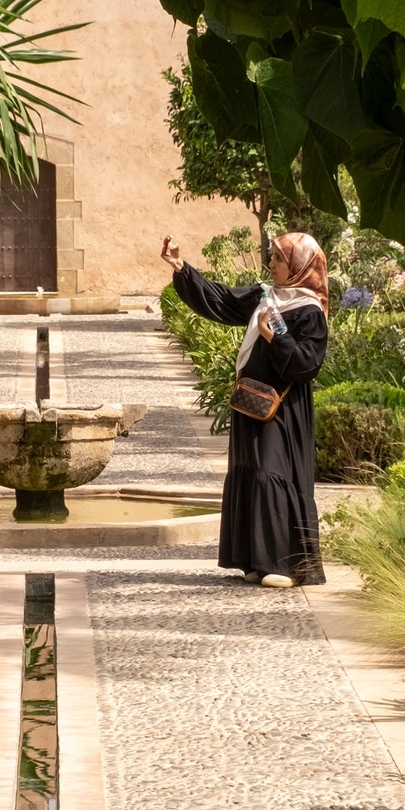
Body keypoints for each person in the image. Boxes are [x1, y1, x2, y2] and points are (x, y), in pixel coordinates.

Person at [162, 229, 330, 588]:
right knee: (251, 468)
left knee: (273, 471)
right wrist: (181, 267)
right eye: (272, 257)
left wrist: (275, 336)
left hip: (282, 411)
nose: (271, 263)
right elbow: (222, 301)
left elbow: (306, 364)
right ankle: (255, 560)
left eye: (279, 259)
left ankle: (285, 566)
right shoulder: (266, 296)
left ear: (299, 265)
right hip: (251, 402)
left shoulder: (309, 311)